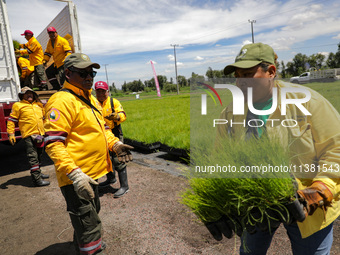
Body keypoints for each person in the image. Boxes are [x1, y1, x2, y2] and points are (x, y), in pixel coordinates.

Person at [210, 42, 340, 254]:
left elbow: (336, 149)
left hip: (308, 208)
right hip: (255, 204)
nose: (239, 82)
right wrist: (219, 202)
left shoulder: (308, 103)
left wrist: (318, 192)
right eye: (237, 76)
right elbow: (221, 161)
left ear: (271, 72)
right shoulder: (230, 114)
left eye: (248, 74)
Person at [43, 53, 133, 254]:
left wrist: (115, 144)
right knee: (89, 225)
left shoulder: (89, 99)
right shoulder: (62, 101)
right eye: (83, 73)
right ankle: (91, 248)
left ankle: (84, 246)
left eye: (91, 73)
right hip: (77, 178)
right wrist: (75, 174)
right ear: (68, 73)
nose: (89, 77)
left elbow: (103, 130)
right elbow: (53, 144)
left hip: (91, 175)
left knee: (90, 218)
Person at [6, 87, 50, 187]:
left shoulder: (38, 105)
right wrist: (11, 134)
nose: (29, 95)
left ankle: (38, 173)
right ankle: (37, 180)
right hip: (29, 136)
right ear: (22, 96)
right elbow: (11, 121)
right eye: (26, 94)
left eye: (31, 93)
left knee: (39, 155)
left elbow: (44, 119)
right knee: (33, 157)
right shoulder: (18, 105)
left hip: (40, 135)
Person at [95, 81, 129, 198]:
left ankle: (125, 186)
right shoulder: (93, 103)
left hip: (114, 132)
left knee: (118, 159)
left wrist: (117, 116)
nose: (101, 94)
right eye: (98, 91)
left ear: (107, 91)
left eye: (103, 91)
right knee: (106, 157)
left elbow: (123, 115)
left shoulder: (113, 102)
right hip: (100, 133)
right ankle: (111, 179)